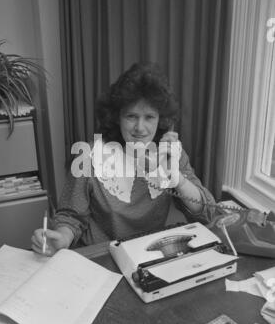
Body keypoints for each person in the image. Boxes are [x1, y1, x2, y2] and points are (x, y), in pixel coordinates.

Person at [31, 62, 217, 256]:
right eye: (131, 116)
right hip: (101, 255)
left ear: (161, 120)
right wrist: (62, 238)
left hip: (147, 254)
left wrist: (176, 177)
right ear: (116, 117)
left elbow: (207, 212)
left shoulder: (170, 152)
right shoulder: (90, 155)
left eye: (149, 117)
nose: (140, 127)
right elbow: (71, 216)